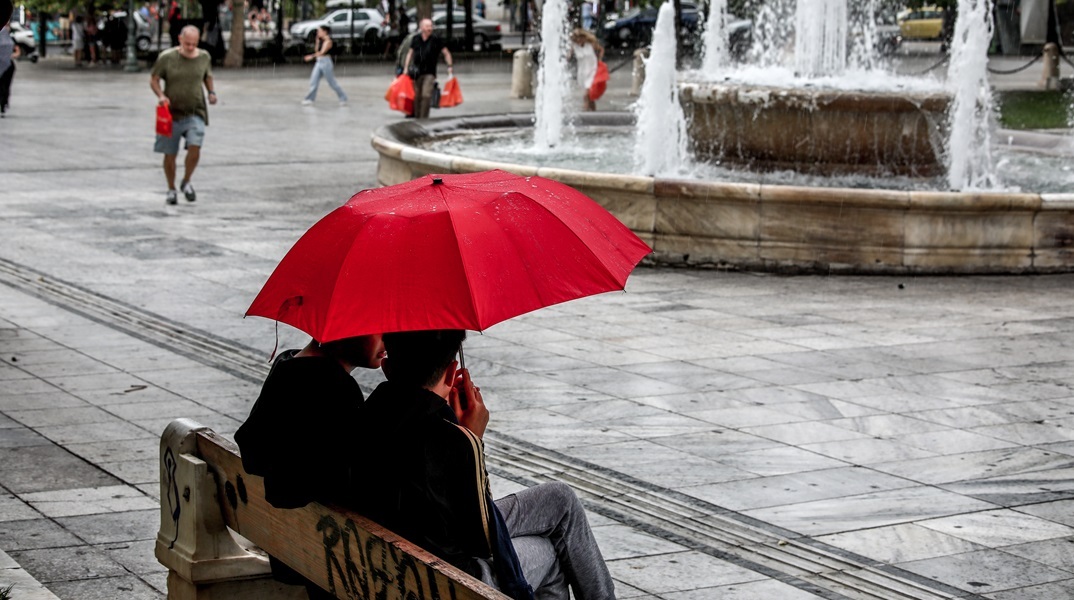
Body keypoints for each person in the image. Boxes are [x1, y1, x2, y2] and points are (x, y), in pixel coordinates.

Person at [357, 329, 617, 600]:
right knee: (547, 552)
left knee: (559, 498)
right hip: (449, 579)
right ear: (451, 372)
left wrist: (444, 417)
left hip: (394, 551)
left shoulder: (369, 413)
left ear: (387, 366)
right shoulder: (451, 439)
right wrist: (471, 439)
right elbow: (480, 538)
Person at [235, 334, 386, 600]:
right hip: (330, 551)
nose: (389, 340)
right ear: (346, 327)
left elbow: (253, 449)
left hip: (295, 544)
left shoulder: (290, 363)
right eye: (380, 331)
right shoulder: (332, 386)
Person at [150, 25, 216, 205]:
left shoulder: (204, 57)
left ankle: (186, 180)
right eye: (187, 44)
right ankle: (171, 188)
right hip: (171, 114)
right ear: (180, 39)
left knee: (195, 146)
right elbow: (154, 79)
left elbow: (207, 76)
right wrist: (161, 96)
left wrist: (211, 92)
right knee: (170, 154)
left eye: (193, 44)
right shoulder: (167, 58)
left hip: (196, 111)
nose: (190, 47)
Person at [402, 17, 453, 119]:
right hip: (416, 72)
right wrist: (406, 67)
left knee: (426, 95)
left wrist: (450, 67)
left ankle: (423, 119)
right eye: (427, 26)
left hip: (430, 72)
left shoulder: (436, 39)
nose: (430, 28)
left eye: (431, 26)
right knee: (416, 96)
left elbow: (446, 53)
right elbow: (410, 53)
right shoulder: (416, 38)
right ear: (421, 27)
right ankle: (417, 117)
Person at [302, 25, 347, 106]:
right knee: (313, 81)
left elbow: (322, 52)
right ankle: (310, 98)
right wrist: (317, 41)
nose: (318, 33)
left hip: (326, 62)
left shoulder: (328, 41)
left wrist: (311, 57)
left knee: (331, 82)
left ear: (325, 32)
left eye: (320, 31)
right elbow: (317, 50)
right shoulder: (320, 40)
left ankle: (343, 97)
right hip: (319, 62)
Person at [570, 28, 603, 111]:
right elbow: (568, 56)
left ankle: (584, 112)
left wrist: (599, 60)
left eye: (580, 38)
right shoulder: (574, 46)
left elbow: (601, 50)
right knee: (590, 96)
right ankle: (593, 113)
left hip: (592, 70)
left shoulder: (590, 44)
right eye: (576, 39)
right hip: (582, 72)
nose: (578, 40)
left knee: (586, 95)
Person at [0, 22, 19, 117]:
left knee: (6, 86)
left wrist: (11, 55)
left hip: (8, 65)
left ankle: (4, 104)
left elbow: (17, 51)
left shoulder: (11, 39)